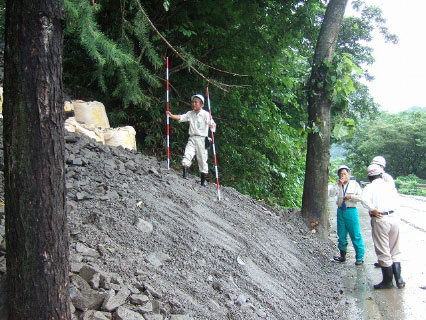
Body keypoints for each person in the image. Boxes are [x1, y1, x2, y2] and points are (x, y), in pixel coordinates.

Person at [361, 163, 405, 289]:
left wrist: (372, 209)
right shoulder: (389, 186)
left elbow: (364, 200)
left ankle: (387, 281)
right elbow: (397, 201)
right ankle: (399, 280)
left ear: (369, 177)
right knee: (395, 249)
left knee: (383, 250)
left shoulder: (369, 187)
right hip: (394, 218)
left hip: (380, 219)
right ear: (380, 174)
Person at [167, 94, 216, 186]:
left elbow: (212, 124)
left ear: (201, 104)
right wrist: (171, 116)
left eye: (196, 102)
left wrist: (212, 126)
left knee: (202, 159)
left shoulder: (206, 114)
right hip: (192, 138)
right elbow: (181, 117)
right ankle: (185, 175)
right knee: (187, 154)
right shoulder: (190, 113)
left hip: (202, 139)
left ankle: (203, 181)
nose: (193, 104)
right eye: (193, 102)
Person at [329, 165, 365, 265]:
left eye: (344, 174)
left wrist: (351, 196)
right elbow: (331, 194)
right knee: (341, 234)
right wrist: (338, 185)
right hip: (340, 210)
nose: (343, 176)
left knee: (355, 234)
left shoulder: (355, 185)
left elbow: (361, 197)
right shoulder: (337, 185)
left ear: (349, 174)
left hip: (351, 210)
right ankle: (342, 255)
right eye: (340, 174)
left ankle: (359, 257)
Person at [370, 156, 395, 268]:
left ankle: (386, 264)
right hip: (382, 213)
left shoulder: (385, 179)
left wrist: (374, 209)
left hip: (383, 214)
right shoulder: (378, 177)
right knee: (383, 242)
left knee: (384, 242)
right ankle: (384, 262)